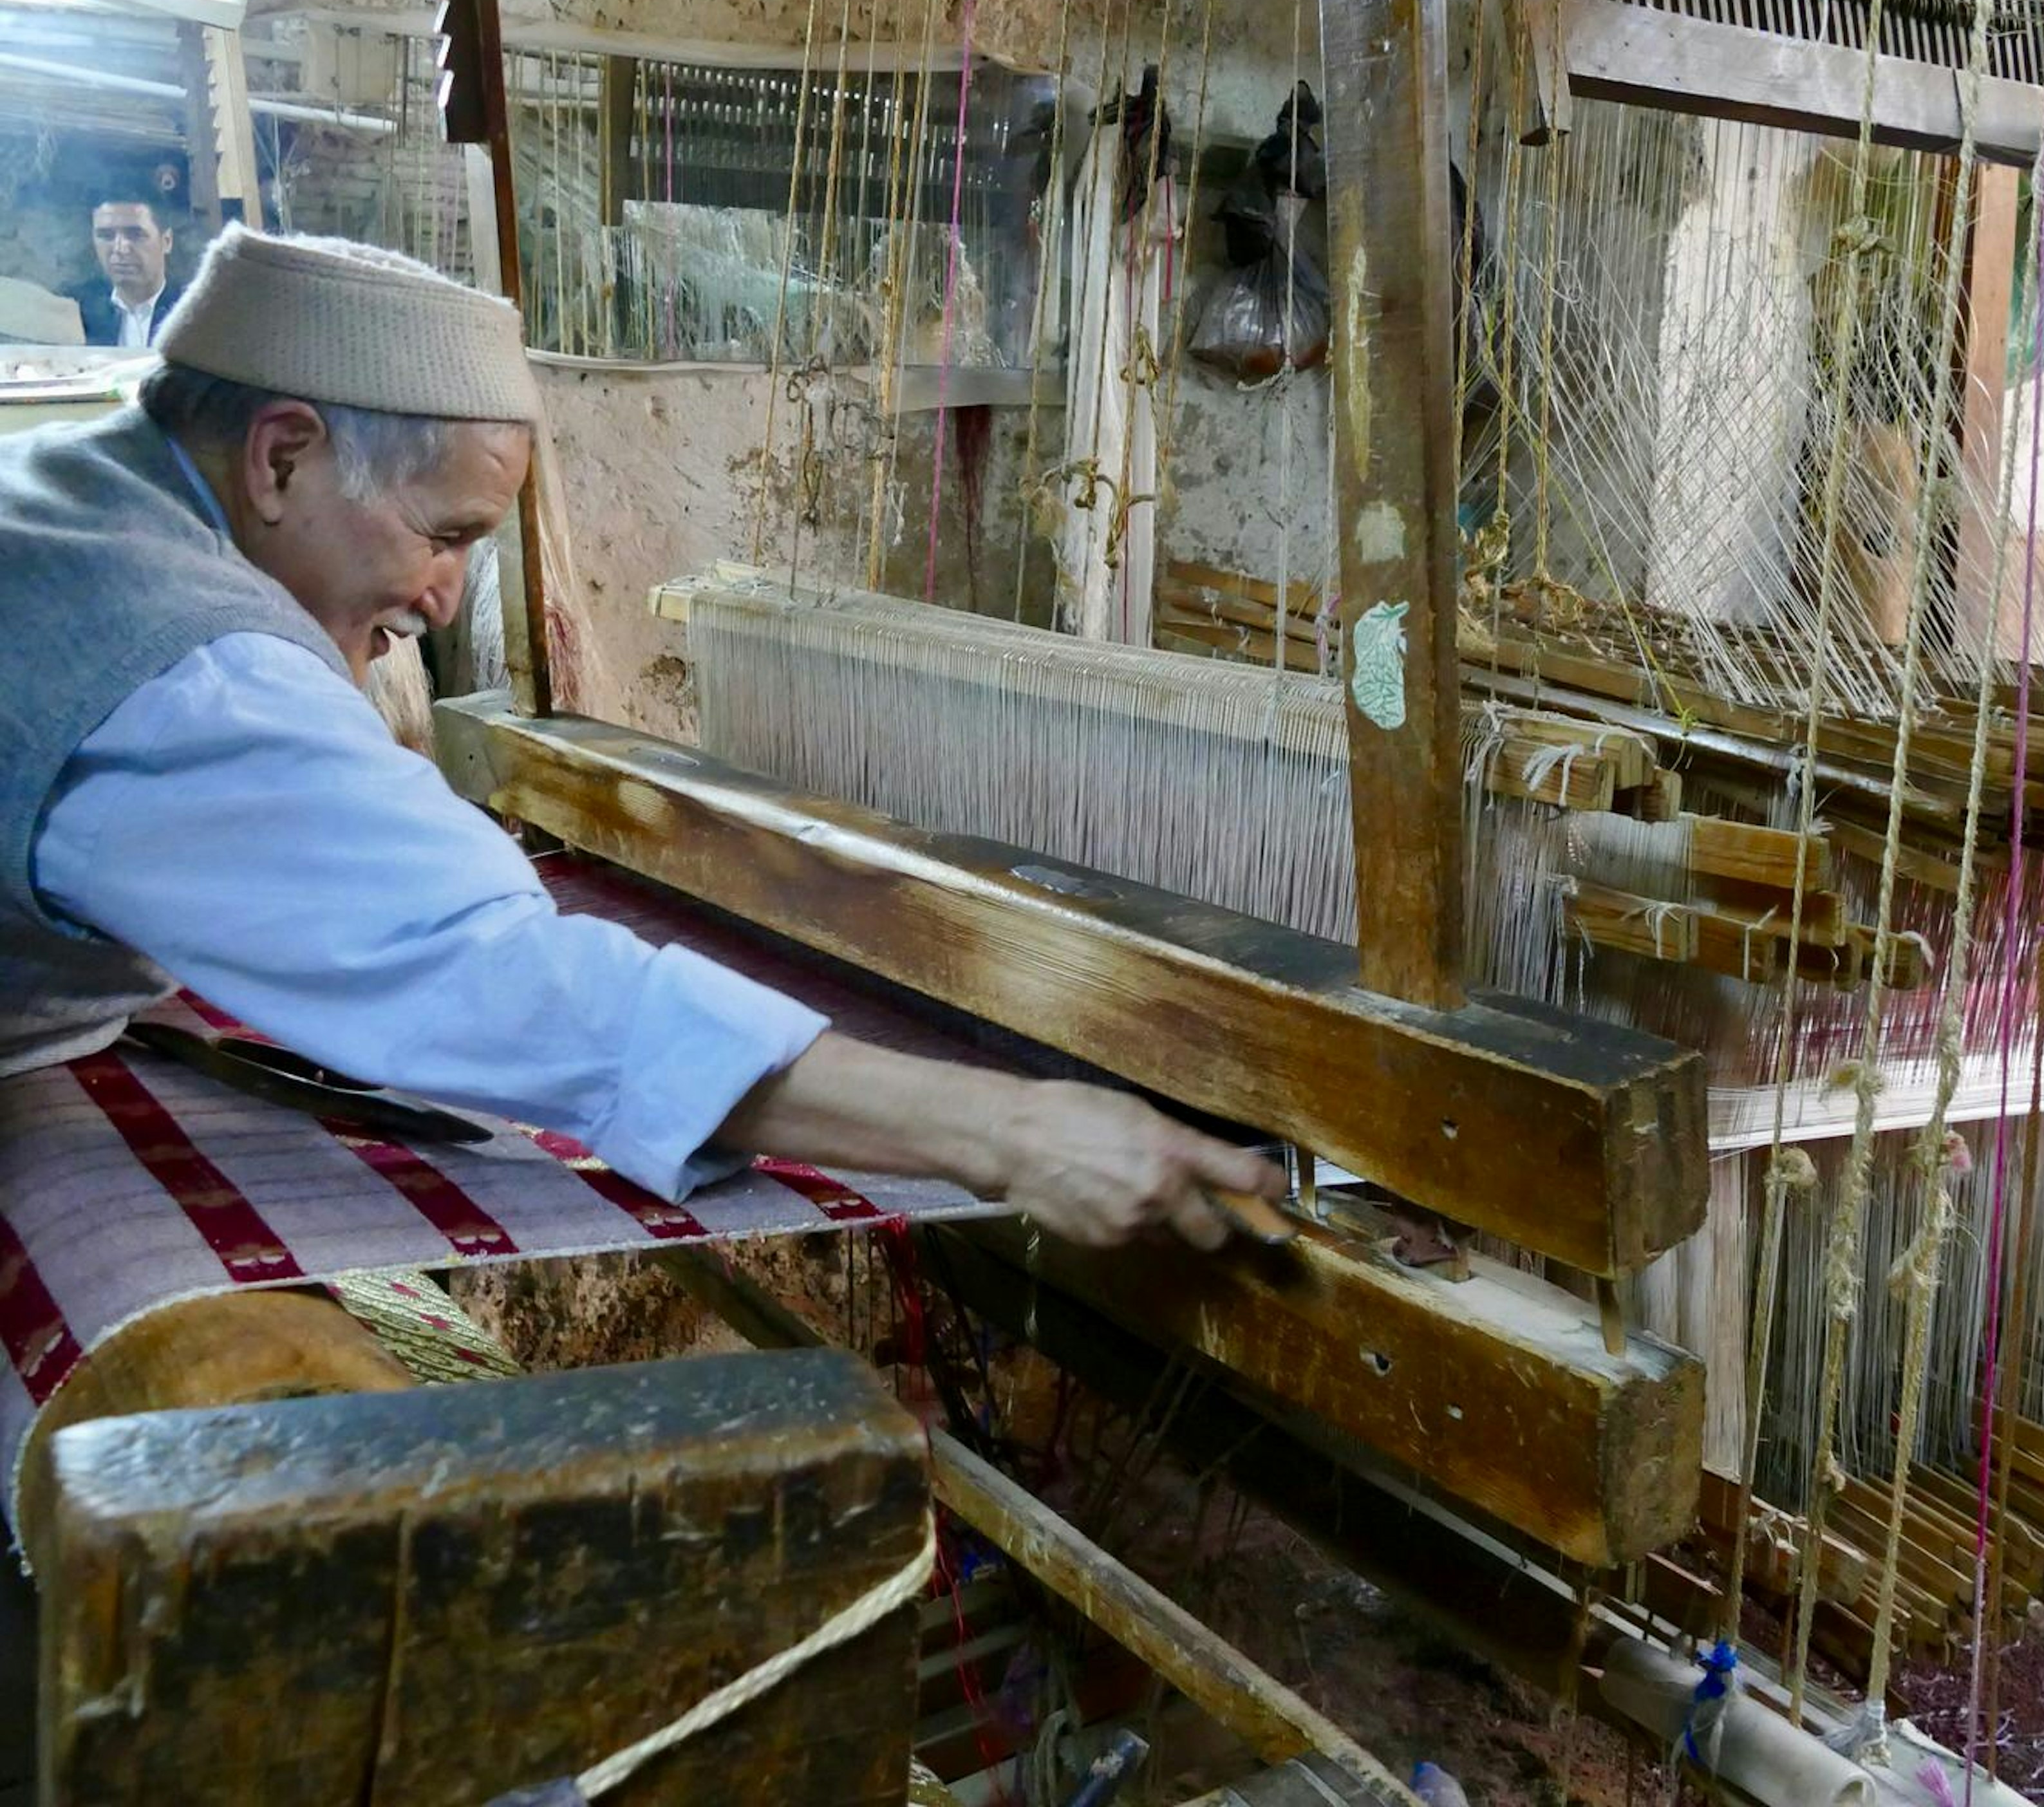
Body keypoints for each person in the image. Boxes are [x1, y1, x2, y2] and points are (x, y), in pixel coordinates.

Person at [2, 225, 1279, 1250]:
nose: (443, 600)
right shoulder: (175, 657)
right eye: (443, 537)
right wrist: (1009, 1130)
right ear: (283, 454)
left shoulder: (79, 497)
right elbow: (490, 975)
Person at [77, 195, 182, 349]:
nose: (120, 249)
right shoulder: (78, 311)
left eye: (136, 235)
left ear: (167, 241)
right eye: (106, 236)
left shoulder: (192, 312)